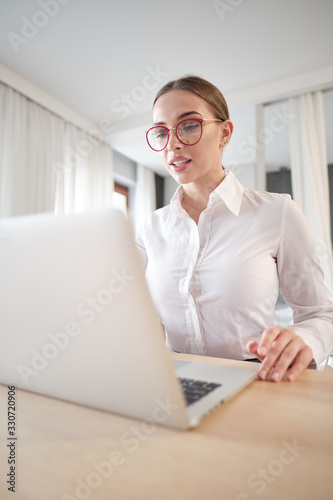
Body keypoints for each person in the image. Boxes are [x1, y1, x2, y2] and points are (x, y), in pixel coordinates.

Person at [136, 75, 333, 382]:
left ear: (224, 133)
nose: (172, 143)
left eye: (189, 125)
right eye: (161, 132)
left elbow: (321, 314)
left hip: (256, 383)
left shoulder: (278, 212)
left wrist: (303, 342)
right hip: (173, 386)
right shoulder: (150, 228)